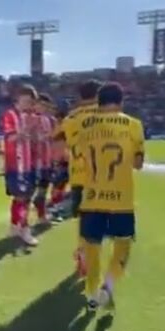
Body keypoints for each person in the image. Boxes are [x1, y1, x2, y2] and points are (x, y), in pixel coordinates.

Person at [78, 82, 144, 311]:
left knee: (92, 247)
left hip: (93, 197)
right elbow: (138, 164)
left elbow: (78, 156)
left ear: (99, 102)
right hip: (122, 198)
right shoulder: (134, 125)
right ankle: (109, 285)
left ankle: (92, 293)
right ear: (121, 101)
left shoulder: (86, 126)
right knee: (123, 245)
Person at [57, 79, 103, 275]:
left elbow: (59, 147)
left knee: (85, 217)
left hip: (78, 176)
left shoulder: (70, 118)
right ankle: (89, 254)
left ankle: (83, 252)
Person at [1, 85, 40, 246]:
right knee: (22, 198)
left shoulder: (29, 116)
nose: (28, 104)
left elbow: (32, 141)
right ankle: (24, 229)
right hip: (16, 165)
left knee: (23, 197)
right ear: (18, 99)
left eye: (30, 101)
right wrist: (27, 128)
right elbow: (10, 138)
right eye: (26, 100)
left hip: (28, 164)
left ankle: (14, 226)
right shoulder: (10, 115)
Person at [32, 93, 57, 225]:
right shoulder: (32, 119)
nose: (44, 108)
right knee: (29, 192)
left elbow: (55, 139)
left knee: (43, 190)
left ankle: (42, 216)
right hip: (34, 162)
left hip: (48, 161)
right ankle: (19, 223)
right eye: (41, 105)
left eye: (46, 106)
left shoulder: (52, 120)